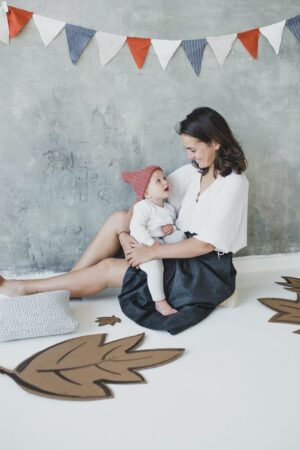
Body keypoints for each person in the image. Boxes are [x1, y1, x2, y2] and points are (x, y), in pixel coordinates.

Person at [0, 107, 248, 335]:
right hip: (173, 241)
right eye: (186, 149)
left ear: (215, 142)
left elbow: (204, 245)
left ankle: (24, 288)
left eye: (193, 149)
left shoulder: (233, 183)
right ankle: (68, 285)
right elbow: (145, 199)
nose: (189, 156)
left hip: (201, 268)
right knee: (119, 218)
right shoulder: (193, 172)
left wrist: (152, 252)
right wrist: (124, 234)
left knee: (108, 267)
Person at [121, 165, 186, 316]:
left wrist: (172, 228)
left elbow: (172, 226)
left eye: (164, 178)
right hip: (144, 245)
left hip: (161, 241)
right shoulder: (144, 206)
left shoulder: (169, 208)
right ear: (147, 193)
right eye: (158, 181)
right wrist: (151, 245)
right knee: (155, 267)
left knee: (180, 236)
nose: (165, 182)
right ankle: (160, 302)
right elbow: (136, 227)